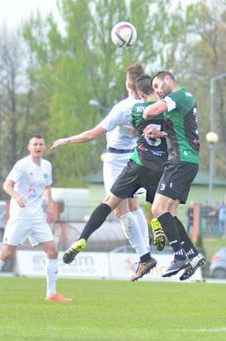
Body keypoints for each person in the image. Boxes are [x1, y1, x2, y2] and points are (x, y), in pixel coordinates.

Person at [56, 74, 168, 281]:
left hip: (130, 162)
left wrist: (68, 140)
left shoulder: (130, 109)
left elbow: (93, 134)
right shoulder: (166, 107)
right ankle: (157, 238)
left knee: (113, 205)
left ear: (135, 89)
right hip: (155, 163)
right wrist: (162, 133)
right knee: (144, 207)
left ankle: (86, 238)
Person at [0, 136, 71, 302]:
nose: (38, 147)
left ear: (44, 147)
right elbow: (7, 185)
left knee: (52, 250)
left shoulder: (47, 165)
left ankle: (51, 293)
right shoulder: (22, 165)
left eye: (41, 144)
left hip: (37, 216)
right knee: (6, 253)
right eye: (35, 144)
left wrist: (50, 204)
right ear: (29, 147)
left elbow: (47, 187)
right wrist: (17, 196)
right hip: (21, 215)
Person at [139, 70, 205, 281]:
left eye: (158, 86)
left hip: (180, 161)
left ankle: (179, 255)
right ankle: (192, 255)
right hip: (187, 161)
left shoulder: (177, 96)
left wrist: (144, 111)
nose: (157, 91)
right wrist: (160, 133)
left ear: (168, 80)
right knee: (170, 212)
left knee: (158, 209)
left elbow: (152, 111)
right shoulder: (186, 98)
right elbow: (182, 131)